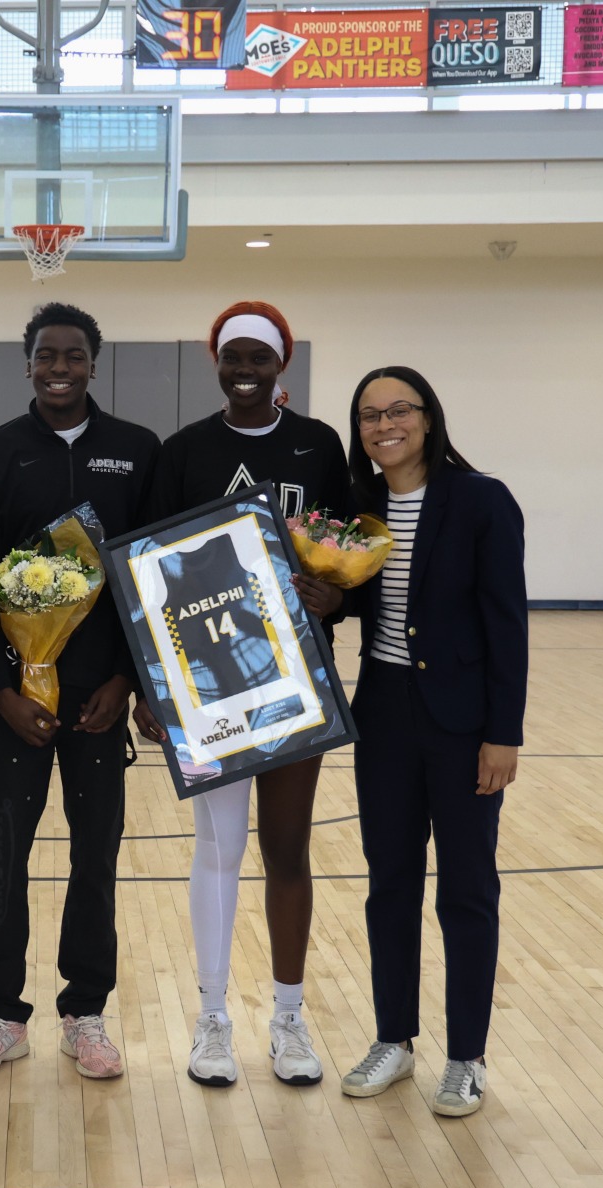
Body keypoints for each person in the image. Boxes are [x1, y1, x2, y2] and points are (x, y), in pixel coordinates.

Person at [136, 300, 350, 1089]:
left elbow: (346, 549)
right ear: (216, 364)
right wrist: (154, 689)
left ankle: (288, 1020)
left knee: (287, 848)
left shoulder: (320, 444)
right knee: (219, 849)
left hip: (297, 673)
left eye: (260, 358)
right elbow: (150, 571)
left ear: (280, 364)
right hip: (210, 682)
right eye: (235, 358)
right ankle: (212, 1018)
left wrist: (338, 600)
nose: (247, 371)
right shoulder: (185, 450)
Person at [0, 303, 160, 1081]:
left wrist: (124, 679)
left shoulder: (137, 451)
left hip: (99, 701)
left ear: (94, 362)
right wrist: (0, 690)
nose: (60, 366)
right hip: (19, 705)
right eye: (47, 354)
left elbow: (147, 577)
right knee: (1, 854)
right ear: (29, 362)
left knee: (95, 855)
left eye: (74, 353)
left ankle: (87, 1011)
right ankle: (0, 1012)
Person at [338, 366, 527, 1118]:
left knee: (467, 891)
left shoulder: (482, 500)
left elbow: (507, 623)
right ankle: (394, 1038)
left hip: (462, 723)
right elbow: (351, 599)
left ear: (428, 416)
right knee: (389, 883)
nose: (384, 425)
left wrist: (503, 734)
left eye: (398, 410)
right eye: (369, 416)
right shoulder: (359, 509)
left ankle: (466, 1057)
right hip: (383, 714)